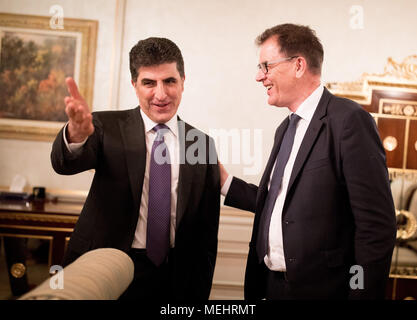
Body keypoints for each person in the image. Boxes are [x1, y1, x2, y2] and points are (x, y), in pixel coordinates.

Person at [219, 23, 396, 299]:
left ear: (298, 65)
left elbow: (376, 227)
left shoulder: (348, 121)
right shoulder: (285, 129)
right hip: (272, 288)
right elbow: (281, 203)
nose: (259, 77)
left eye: (266, 66)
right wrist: (226, 183)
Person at [51, 37, 220, 301]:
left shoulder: (201, 144)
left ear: (183, 82)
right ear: (134, 85)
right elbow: (65, 164)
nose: (161, 94)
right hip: (106, 269)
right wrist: (76, 134)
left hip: (174, 277)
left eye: (170, 81)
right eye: (149, 83)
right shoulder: (103, 126)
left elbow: (206, 234)